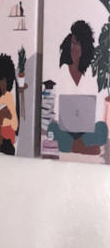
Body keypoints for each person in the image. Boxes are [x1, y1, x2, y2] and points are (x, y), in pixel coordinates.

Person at [46, 19, 108, 155]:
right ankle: (81, 147)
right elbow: (56, 108)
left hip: (86, 129)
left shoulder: (91, 74)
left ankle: (73, 146)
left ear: (85, 47)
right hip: (66, 128)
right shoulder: (62, 71)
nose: (74, 48)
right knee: (51, 128)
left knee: (102, 129)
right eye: (73, 43)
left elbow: (96, 110)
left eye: (78, 44)